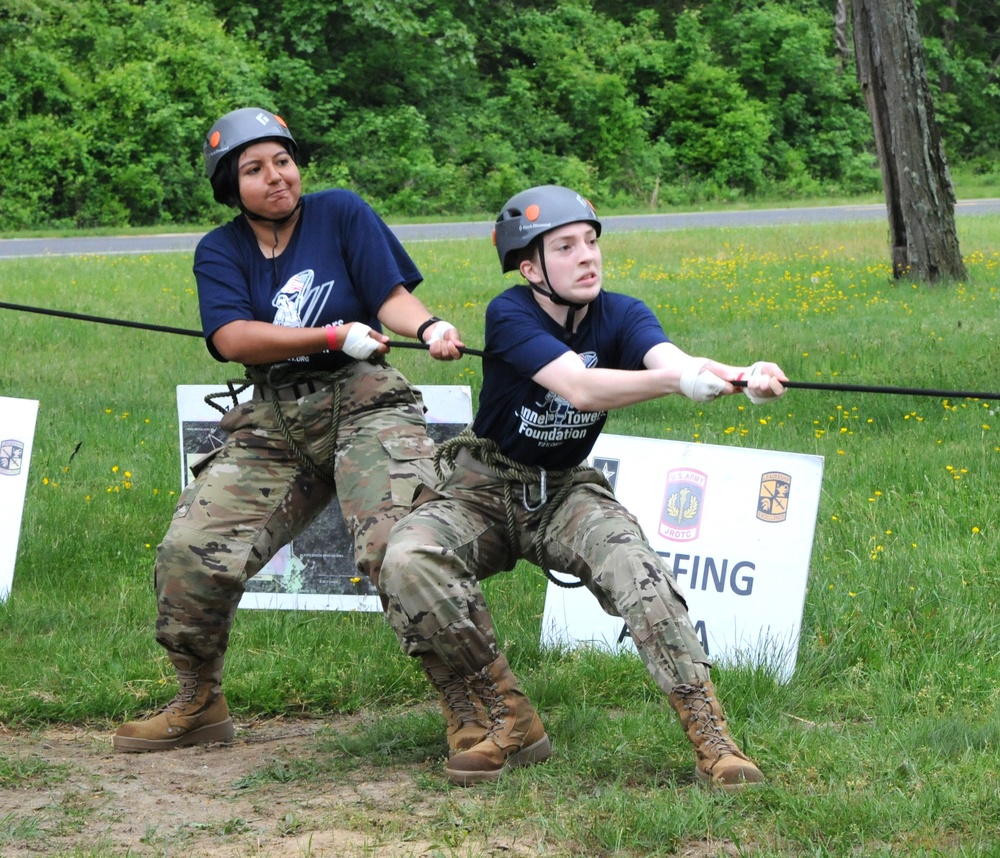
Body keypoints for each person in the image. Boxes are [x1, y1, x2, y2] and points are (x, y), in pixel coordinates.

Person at [380, 185, 788, 789]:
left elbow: (666, 357)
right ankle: (509, 717)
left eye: (591, 241)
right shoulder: (510, 312)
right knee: (407, 559)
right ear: (530, 268)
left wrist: (734, 375)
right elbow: (580, 388)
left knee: (637, 571)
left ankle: (713, 739)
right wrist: (682, 382)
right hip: (481, 487)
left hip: (565, 490)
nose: (587, 256)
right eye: (565, 246)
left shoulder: (622, 312)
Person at [113, 107, 469, 752]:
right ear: (230, 187)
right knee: (189, 551)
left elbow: (389, 295)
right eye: (254, 169)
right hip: (274, 419)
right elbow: (232, 337)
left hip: (366, 405)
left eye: (283, 160)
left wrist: (428, 327)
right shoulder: (219, 250)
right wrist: (329, 332)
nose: (276, 177)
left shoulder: (341, 213)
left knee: (401, 547)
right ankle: (199, 702)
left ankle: (481, 710)